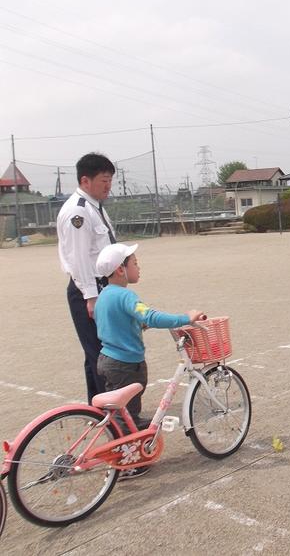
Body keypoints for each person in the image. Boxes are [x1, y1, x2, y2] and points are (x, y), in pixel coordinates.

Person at [94, 243, 204, 479]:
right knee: (127, 414)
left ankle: (123, 444)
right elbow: (150, 316)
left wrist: (136, 324)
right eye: (135, 263)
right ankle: (127, 464)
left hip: (107, 360)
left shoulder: (105, 295)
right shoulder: (125, 295)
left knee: (121, 414)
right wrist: (185, 318)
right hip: (125, 365)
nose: (138, 267)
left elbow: (115, 322)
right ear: (121, 269)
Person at [57, 153, 117, 403]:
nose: (108, 186)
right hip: (89, 289)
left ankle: (99, 407)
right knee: (101, 353)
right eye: (104, 180)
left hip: (103, 287)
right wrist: (91, 297)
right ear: (85, 180)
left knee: (96, 351)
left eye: (110, 180)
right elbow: (78, 258)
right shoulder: (78, 212)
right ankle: (114, 414)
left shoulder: (95, 207)